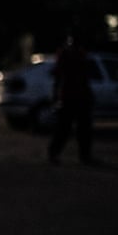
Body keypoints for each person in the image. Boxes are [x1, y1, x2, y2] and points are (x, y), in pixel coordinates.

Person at [46, 33, 94, 164]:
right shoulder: (66, 55)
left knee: (82, 128)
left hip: (78, 96)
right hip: (69, 96)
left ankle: (84, 155)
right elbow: (58, 76)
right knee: (64, 128)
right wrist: (56, 95)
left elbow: (84, 78)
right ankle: (54, 153)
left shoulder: (78, 54)